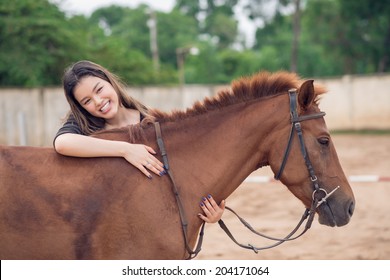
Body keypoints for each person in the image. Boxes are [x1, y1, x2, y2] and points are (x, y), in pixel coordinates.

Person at [54, 60, 225, 223]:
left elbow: (182, 173)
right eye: (87, 101)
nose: (98, 101)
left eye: (99, 90)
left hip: (151, 222)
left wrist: (210, 209)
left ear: (110, 81)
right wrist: (126, 150)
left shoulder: (151, 121)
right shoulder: (85, 125)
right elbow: (62, 143)